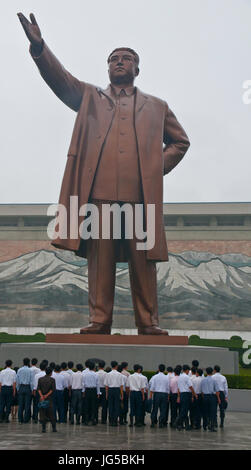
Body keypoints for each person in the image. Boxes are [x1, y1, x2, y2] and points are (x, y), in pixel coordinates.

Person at [17, 12, 190, 337]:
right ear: (108, 67)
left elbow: (180, 142)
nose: (119, 62)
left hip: (141, 200)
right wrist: (40, 47)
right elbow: (61, 80)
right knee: (100, 263)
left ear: (137, 69)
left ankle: (148, 322)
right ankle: (100, 320)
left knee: (144, 263)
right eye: (114, 59)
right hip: (98, 199)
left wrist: (154, 169)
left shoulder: (157, 106)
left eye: (127, 59)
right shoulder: (90, 99)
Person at [175, 365, 197, 431]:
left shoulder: (180, 377)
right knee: (184, 411)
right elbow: (190, 387)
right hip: (186, 395)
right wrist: (194, 394)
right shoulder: (187, 377)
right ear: (187, 370)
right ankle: (177, 423)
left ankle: (185, 425)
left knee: (183, 410)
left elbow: (178, 388)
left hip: (182, 394)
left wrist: (178, 396)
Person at [201, 367, 221, 432]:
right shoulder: (214, 380)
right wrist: (218, 399)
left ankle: (204, 425)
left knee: (205, 411)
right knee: (212, 412)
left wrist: (203, 397)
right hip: (212, 397)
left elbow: (202, 391)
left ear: (206, 372)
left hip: (205, 397)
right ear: (212, 372)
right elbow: (217, 391)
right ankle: (211, 426)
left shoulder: (203, 380)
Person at [37, 366, 57, 433]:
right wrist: (46, 395)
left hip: (42, 399)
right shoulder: (52, 380)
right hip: (49, 399)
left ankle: (43, 428)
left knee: (42, 413)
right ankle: (54, 428)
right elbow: (52, 390)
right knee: (51, 413)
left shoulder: (40, 379)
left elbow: (38, 389)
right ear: (51, 373)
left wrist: (42, 396)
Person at [104, 361, 124, 427]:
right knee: (116, 406)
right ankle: (115, 421)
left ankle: (111, 421)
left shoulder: (108, 374)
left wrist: (106, 394)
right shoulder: (120, 374)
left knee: (110, 406)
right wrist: (122, 394)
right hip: (117, 390)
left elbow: (106, 385)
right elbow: (121, 386)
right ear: (116, 366)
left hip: (110, 390)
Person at [82, 360, 100, 425]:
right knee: (93, 405)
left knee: (86, 405)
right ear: (94, 367)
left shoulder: (85, 374)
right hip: (93, 390)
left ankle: (86, 420)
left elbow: (83, 384)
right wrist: (98, 393)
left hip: (87, 390)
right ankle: (93, 419)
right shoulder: (96, 374)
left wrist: (83, 392)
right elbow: (98, 384)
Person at [16, 357, 33, 424]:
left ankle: (20, 419)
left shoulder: (20, 370)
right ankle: (26, 419)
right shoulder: (30, 370)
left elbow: (17, 380)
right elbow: (31, 381)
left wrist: (17, 388)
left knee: (20, 404)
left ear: (23, 362)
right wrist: (32, 389)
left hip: (21, 387)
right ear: (29, 362)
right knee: (27, 404)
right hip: (28, 387)